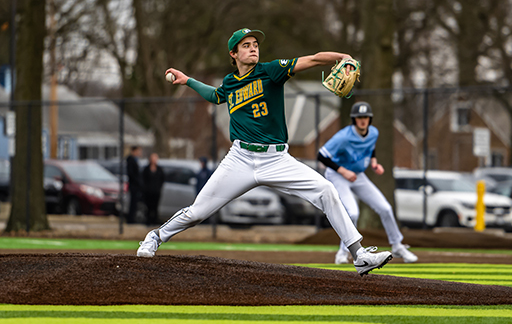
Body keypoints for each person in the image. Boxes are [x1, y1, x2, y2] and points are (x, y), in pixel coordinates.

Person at [137, 28, 392, 275]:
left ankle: (359, 255)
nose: (253, 48)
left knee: (326, 190)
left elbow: (312, 59)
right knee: (197, 212)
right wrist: (188, 80)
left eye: (255, 45)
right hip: (240, 159)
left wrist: (342, 57)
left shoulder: (271, 70)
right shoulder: (230, 82)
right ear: (233, 55)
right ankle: (155, 237)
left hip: (277, 159)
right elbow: (216, 96)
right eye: (246, 45)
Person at [318, 101, 418, 264]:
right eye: (359, 117)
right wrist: (344, 171)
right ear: (354, 120)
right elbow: (322, 156)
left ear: (369, 119)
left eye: (365, 117)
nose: (362, 120)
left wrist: (373, 163)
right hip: (338, 174)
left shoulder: (373, 133)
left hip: (358, 175)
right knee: (353, 213)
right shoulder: (343, 136)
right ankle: (343, 253)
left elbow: (370, 148)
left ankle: (397, 245)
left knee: (385, 208)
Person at [142, 152, 165, 225]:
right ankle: (148, 220)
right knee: (148, 207)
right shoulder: (146, 169)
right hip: (148, 192)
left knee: (155, 207)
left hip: (156, 191)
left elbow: (162, 179)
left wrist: (158, 187)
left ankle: (154, 220)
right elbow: (143, 179)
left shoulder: (159, 169)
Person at [126, 146, 143, 224]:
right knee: (133, 203)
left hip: (135, 186)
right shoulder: (131, 161)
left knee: (135, 203)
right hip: (134, 186)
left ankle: (132, 218)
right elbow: (132, 174)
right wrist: (138, 181)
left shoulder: (135, 160)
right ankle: (131, 219)